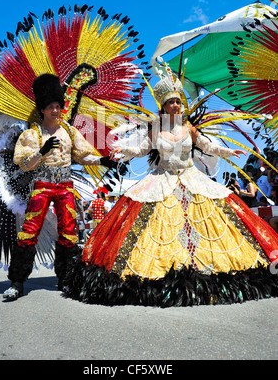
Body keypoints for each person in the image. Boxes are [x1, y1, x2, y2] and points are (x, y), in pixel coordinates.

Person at [63, 74, 278, 307]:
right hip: (162, 180)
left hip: (192, 179)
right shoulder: (155, 128)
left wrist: (228, 152)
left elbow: (207, 146)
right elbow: (142, 150)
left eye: (178, 101)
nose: (176, 105)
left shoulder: (188, 127)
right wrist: (123, 149)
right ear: (163, 105)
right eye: (171, 102)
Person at [2, 74, 108, 301]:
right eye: (50, 107)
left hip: (65, 186)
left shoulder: (69, 132)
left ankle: (66, 279)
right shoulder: (33, 134)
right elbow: (23, 163)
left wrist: (102, 160)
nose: (55, 111)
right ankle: (17, 282)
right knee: (29, 229)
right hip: (42, 185)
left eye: (58, 106)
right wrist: (42, 151)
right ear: (42, 109)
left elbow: (84, 155)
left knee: (70, 232)